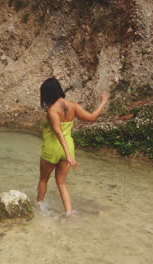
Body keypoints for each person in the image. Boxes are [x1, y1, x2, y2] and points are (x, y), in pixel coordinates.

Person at [37, 77, 109, 216]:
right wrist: (103, 102)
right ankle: (69, 213)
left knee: (43, 180)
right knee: (62, 183)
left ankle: (39, 208)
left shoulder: (52, 111)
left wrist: (69, 156)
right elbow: (92, 117)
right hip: (68, 147)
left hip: (52, 148)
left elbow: (58, 132)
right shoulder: (74, 106)